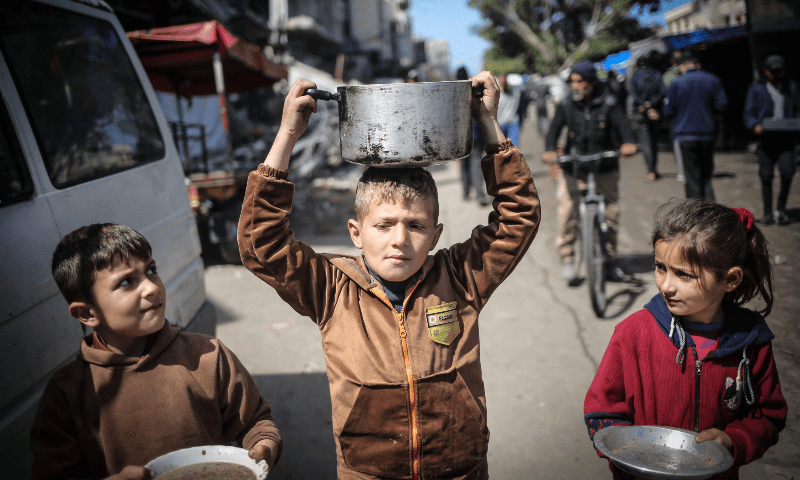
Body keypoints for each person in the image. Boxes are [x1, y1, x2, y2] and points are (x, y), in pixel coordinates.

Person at [237, 71, 540, 480]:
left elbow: (517, 219)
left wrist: (488, 123)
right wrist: (288, 133)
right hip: (367, 472)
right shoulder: (331, 288)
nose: (400, 240)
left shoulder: (461, 278)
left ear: (435, 236)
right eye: (383, 225)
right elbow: (262, 244)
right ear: (356, 233)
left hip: (461, 469)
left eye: (415, 226)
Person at [30, 223, 282, 480]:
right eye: (127, 282)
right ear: (87, 313)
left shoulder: (208, 355)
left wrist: (264, 444)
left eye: (151, 270)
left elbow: (256, 421)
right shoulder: (67, 393)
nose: (151, 287)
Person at [584, 199, 787, 479]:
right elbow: (601, 412)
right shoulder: (632, 334)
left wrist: (733, 440)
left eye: (684, 274)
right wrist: (625, 451)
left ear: (730, 280)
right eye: (660, 267)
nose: (666, 285)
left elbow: (769, 416)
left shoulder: (751, 342)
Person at [543, 61, 637, 285]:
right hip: (573, 166)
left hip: (604, 165)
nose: (575, 86)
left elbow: (625, 128)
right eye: (572, 82)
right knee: (567, 211)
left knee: (611, 215)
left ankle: (610, 262)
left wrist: (629, 144)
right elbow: (553, 131)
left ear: (592, 82)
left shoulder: (610, 103)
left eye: (580, 81)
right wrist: (549, 151)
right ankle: (567, 257)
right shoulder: (566, 105)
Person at [743, 54, 800, 225]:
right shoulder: (756, 89)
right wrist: (755, 125)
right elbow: (749, 113)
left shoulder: (791, 87)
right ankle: (768, 212)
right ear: (766, 71)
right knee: (766, 176)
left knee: (788, 172)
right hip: (766, 140)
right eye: (773, 71)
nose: (777, 74)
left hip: (786, 140)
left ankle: (780, 209)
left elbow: (798, 109)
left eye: (780, 71)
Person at [663, 52, 728, 200]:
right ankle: (711, 209)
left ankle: (696, 213)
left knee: (692, 177)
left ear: (680, 66)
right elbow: (721, 105)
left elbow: (668, 110)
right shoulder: (712, 80)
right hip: (707, 133)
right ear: (696, 63)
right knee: (706, 175)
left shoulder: (676, 83)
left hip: (685, 135)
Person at [457, 65, 490, 205]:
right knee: (476, 165)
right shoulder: (475, 90)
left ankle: (466, 191)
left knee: (464, 165)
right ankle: (479, 194)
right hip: (475, 136)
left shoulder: (453, 92)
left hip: (460, 138)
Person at [629, 52, 665, 181]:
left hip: (640, 113)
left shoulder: (635, 76)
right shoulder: (656, 74)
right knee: (654, 141)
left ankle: (650, 170)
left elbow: (633, 93)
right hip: (655, 112)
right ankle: (654, 168)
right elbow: (662, 92)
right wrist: (651, 105)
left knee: (645, 142)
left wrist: (644, 106)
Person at [496, 73, 522, 146]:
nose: (503, 82)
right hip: (499, 124)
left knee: (514, 147)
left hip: (512, 123)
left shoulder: (515, 92)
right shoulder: (495, 94)